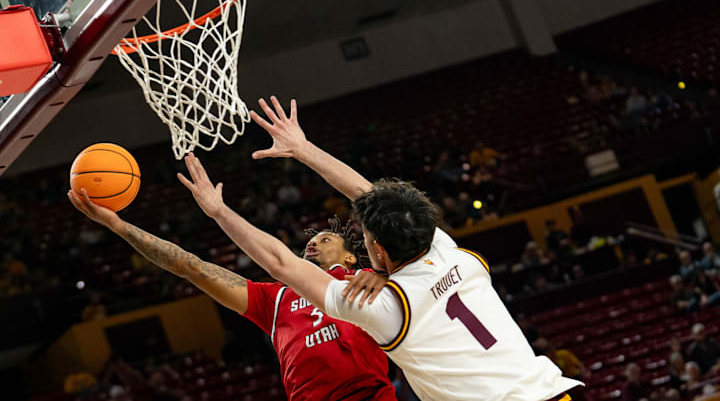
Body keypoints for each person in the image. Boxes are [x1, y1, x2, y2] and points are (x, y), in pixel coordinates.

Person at [177, 96, 582, 400]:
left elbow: (281, 262)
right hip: (554, 392)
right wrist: (304, 148)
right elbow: (372, 197)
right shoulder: (449, 250)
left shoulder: (386, 308)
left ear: (379, 250)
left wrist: (218, 212)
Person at [66, 192, 396, 400]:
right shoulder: (274, 299)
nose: (311, 244)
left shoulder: (367, 279)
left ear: (351, 256)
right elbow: (190, 266)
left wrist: (382, 276)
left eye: (324, 240)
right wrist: (119, 226)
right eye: (309, 242)